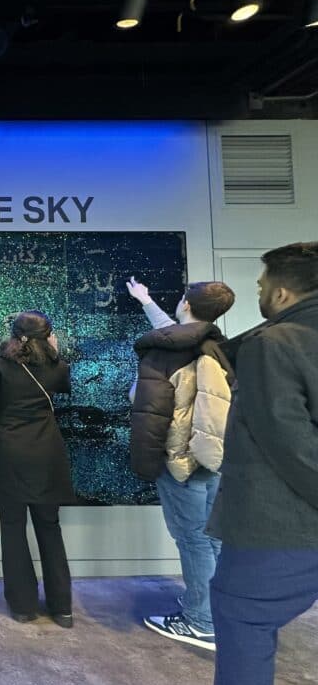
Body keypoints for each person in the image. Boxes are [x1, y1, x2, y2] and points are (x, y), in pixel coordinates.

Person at [167, 241, 318, 685]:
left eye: (259, 284)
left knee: (244, 620)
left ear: (279, 291)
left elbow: (290, 445)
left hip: (279, 525)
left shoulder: (276, 344)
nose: (255, 292)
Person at [127, 278, 235, 652]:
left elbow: (151, 410)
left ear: (186, 303)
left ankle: (200, 622)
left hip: (181, 459)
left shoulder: (167, 353)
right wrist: (146, 301)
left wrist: (145, 455)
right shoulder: (215, 345)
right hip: (212, 457)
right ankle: (212, 609)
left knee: (192, 540)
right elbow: (175, 332)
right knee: (213, 538)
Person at [0, 311, 75, 627]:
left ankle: (24, 607)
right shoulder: (58, 369)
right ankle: (62, 609)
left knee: (13, 529)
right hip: (47, 457)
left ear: (14, 337)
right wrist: (55, 351)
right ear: (48, 337)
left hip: (8, 456)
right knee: (50, 529)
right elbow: (62, 380)